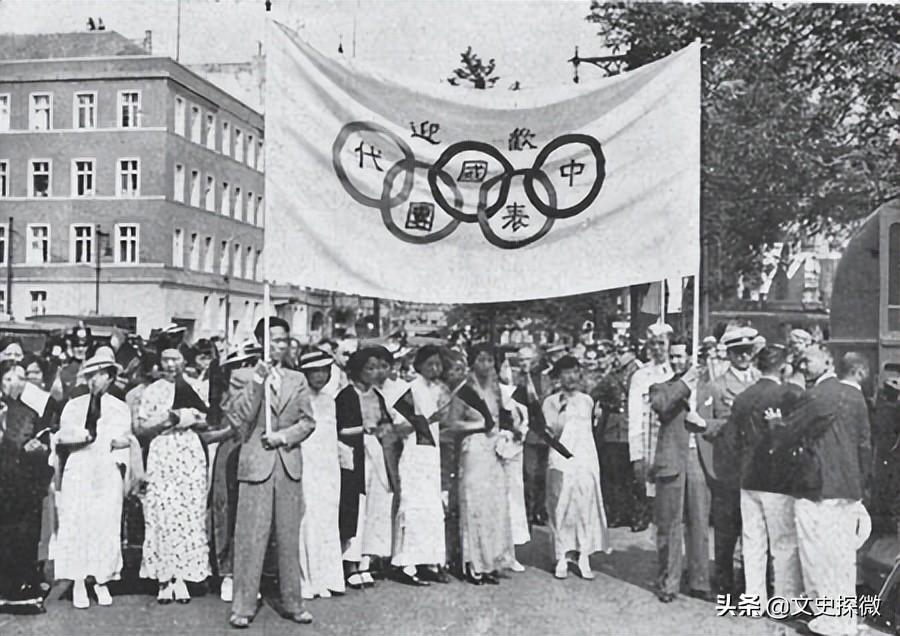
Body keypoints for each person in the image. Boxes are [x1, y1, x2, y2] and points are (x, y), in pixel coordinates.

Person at [768, 346, 872, 635]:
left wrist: (775, 424)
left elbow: (790, 433)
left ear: (828, 360)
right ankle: (845, 621)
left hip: (819, 488)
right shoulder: (854, 396)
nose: (804, 362)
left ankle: (828, 622)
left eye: (809, 358)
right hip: (848, 488)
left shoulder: (817, 395)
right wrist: (860, 485)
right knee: (842, 560)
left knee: (818, 556)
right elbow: (864, 444)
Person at [225, 317, 317, 628]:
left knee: (288, 537)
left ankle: (294, 602)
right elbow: (240, 420)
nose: (282, 345)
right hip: (256, 465)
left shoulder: (297, 379)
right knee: (251, 538)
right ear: (262, 341)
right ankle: (243, 606)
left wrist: (283, 437)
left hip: (287, 464)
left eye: (285, 340)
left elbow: (308, 421)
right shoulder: (242, 375)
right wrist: (257, 380)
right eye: (275, 340)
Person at [52, 350, 140, 609]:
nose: (96, 380)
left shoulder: (119, 407)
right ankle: (78, 581)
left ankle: (101, 579)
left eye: (102, 374)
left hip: (106, 470)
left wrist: (121, 451)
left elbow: (124, 440)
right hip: (80, 467)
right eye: (91, 374)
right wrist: (81, 435)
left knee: (105, 525)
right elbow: (62, 436)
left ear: (111, 378)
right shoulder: (74, 405)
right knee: (78, 522)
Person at [134, 345, 211, 605]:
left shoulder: (193, 386)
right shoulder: (152, 390)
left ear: (183, 361)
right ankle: (164, 578)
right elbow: (142, 427)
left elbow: (206, 420)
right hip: (163, 449)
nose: (170, 364)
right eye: (165, 359)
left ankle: (183, 576)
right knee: (162, 513)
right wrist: (168, 419)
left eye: (175, 359)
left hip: (188, 451)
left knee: (188, 512)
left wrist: (190, 418)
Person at [730, 345, 803, 612]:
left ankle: (754, 600)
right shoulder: (790, 395)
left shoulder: (743, 397)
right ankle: (786, 602)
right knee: (783, 543)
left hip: (748, 478)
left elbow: (734, 440)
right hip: (777, 478)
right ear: (783, 367)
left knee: (752, 541)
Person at [443, 344, 516, 584]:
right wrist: (477, 426)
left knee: (493, 505)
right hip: (473, 449)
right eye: (481, 360)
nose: (486, 365)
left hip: (492, 449)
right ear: (473, 362)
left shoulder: (495, 389)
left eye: (490, 361)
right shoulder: (465, 390)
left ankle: (490, 561)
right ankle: (474, 564)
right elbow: (452, 424)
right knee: (475, 503)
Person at [696, 326, 760, 595]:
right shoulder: (717, 385)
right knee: (726, 529)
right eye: (738, 352)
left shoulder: (762, 380)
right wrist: (727, 425)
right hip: (729, 467)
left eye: (748, 351)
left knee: (755, 531)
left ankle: (752, 583)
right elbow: (701, 423)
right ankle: (724, 583)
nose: (743, 357)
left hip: (758, 468)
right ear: (730, 355)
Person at [646, 339, 710, 603]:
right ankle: (668, 583)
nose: (675, 361)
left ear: (690, 357)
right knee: (669, 523)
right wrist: (685, 381)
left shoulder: (708, 387)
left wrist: (706, 424)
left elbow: (719, 418)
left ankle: (699, 581)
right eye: (672, 357)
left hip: (699, 458)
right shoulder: (662, 386)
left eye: (680, 356)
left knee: (699, 522)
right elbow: (662, 407)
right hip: (672, 459)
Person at [542, 356, 609, 580]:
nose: (570, 377)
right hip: (561, 457)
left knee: (584, 504)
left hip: (586, 458)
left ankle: (583, 555)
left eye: (574, 371)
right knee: (560, 504)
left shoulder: (587, 400)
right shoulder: (551, 401)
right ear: (558, 376)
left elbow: (590, 431)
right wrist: (561, 411)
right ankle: (561, 555)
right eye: (565, 372)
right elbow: (551, 433)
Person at [206, 340, 261, 603]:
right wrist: (228, 431)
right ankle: (227, 571)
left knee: (253, 513)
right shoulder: (220, 399)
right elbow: (207, 433)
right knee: (226, 510)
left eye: (251, 364)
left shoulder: (263, 390)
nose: (246, 371)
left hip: (256, 452)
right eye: (240, 366)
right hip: (229, 453)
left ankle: (249, 573)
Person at [337, 347, 396, 589]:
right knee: (357, 506)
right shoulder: (347, 396)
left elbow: (385, 423)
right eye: (368, 368)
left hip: (375, 453)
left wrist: (382, 430)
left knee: (376, 503)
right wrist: (365, 429)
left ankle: (366, 560)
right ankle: (350, 562)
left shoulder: (377, 396)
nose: (373, 373)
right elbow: (340, 429)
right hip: (355, 453)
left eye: (376, 368)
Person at [391, 345, 448, 585]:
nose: (434, 369)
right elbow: (399, 426)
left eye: (438, 364)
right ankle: (406, 563)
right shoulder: (411, 389)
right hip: (414, 453)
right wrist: (421, 421)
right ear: (419, 366)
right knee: (413, 505)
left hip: (431, 455)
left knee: (431, 507)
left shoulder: (439, 390)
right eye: (429, 364)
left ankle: (428, 561)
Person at [0, 362, 54, 614]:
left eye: (21, 378)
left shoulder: (31, 413)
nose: (16, 383)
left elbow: (44, 444)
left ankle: (17, 589)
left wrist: (40, 448)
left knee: (19, 537)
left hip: (21, 486)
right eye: (9, 378)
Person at [297, 349, 345, 599]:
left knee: (327, 517)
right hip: (307, 463)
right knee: (308, 518)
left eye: (325, 370)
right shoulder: (299, 398)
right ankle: (308, 579)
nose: (321, 375)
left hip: (328, 467)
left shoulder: (330, 400)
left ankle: (328, 577)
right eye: (315, 371)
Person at [627, 323, 675, 532]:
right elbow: (635, 416)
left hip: (674, 443)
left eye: (661, 343)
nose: (658, 348)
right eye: (653, 343)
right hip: (650, 443)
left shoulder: (679, 371)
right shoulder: (641, 376)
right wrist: (636, 454)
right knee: (652, 494)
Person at [591, 350, 642, 528]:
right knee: (614, 475)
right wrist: (605, 405)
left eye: (622, 352)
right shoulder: (611, 376)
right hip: (613, 430)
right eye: (617, 352)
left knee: (634, 477)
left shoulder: (641, 373)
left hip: (634, 429)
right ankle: (618, 513)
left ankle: (638, 516)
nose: (618, 356)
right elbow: (594, 393)